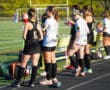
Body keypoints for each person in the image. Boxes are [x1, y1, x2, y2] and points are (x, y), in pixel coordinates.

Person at [11, 8, 43, 87]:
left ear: (28, 15)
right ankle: (31, 82)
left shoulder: (27, 24)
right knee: (34, 64)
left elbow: (24, 36)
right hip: (37, 45)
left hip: (29, 45)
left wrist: (29, 40)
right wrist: (36, 40)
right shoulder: (38, 24)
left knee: (23, 64)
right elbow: (41, 37)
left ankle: (18, 81)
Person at [39, 6, 61, 87]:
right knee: (53, 60)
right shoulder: (56, 20)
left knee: (48, 61)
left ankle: (48, 79)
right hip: (53, 41)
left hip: (47, 42)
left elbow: (42, 30)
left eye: (46, 10)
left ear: (50, 12)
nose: (45, 12)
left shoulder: (48, 20)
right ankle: (54, 77)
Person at [67, 10, 89, 77]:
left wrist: (75, 42)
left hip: (79, 40)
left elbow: (78, 32)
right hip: (84, 40)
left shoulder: (78, 22)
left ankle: (77, 68)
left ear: (75, 15)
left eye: (73, 16)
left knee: (70, 53)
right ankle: (82, 72)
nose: (72, 17)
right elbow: (88, 31)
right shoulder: (83, 20)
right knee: (81, 55)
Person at [83, 5, 95, 73]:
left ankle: (88, 68)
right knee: (86, 51)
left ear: (87, 10)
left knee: (86, 51)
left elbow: (82, 25)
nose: (83, 12)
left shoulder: (88, 17)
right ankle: (86, 67)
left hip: (88, 35)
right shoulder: (91, 16)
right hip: (90, 34)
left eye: (84, 10)